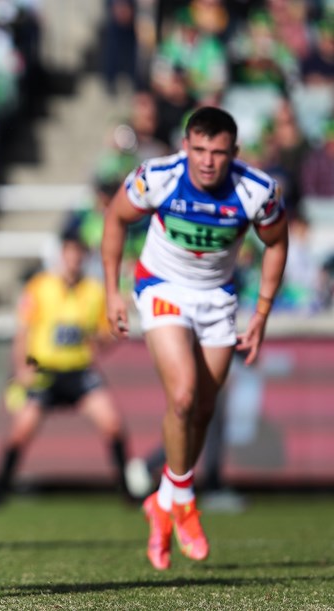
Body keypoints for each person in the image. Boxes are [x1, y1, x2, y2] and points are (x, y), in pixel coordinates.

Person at [101, 106, 289, 571]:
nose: (207, 161)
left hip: (218, 299)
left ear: (234, 153)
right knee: (183, 397)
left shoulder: (256, 191)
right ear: (185, 147)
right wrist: (111, 292)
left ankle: (162, 499)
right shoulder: (157, 177)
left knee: (205, 407)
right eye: (199, 150)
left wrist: (262, 312)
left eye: (218, 152)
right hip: (161, 288)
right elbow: (115, 218)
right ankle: (182, 498)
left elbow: (277, 242)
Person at [0, 231, 132, 508]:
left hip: (79, 370)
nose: (74, 260)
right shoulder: (40, 287)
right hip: (45, 370)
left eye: (79, 254)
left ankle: (127, 492)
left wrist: (105, 338)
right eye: (69, 253)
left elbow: (103, 336)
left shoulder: (94, 291)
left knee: (113, 425)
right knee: (20, 432)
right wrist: (23, 368)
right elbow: (24, 331)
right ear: (61, 255)